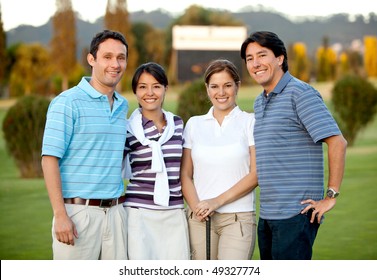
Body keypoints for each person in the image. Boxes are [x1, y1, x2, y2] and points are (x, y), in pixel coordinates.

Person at [240, 31, 348, 260]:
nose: (255, 63)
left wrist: (330, 196)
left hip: (295, 215)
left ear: (280, 58)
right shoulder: (260, 101)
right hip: (268, 215)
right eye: (250, 58)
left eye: (262, 55)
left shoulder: (300, 93)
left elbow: (337, 142)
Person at [41, 30, 129, 260]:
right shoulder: (67, 102)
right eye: (107, 57)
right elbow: (49, 159)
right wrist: (60, 214)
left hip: (117, 214)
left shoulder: (122, 106)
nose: (115, 64)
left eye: (121, 57)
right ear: (92, 59)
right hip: (78, 214)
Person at [180, 59, 258, 260]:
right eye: (214, 86)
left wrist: (216, 202)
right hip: (199, 218)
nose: (221, 92)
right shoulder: (194, 124)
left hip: (237, 218)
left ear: (237, 86)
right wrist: (198, 206)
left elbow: (256, 174)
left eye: (227, 85)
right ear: (207, 89)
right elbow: (185, 175)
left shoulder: (250, 122)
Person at [122, 62, 190, 260]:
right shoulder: (127, 129)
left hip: (174, 212)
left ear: (165, 89)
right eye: (142, 87)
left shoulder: (178, 124)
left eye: (156, 86)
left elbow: (185, 171)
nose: (149, 93)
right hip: (139, 214)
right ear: (135, 91)